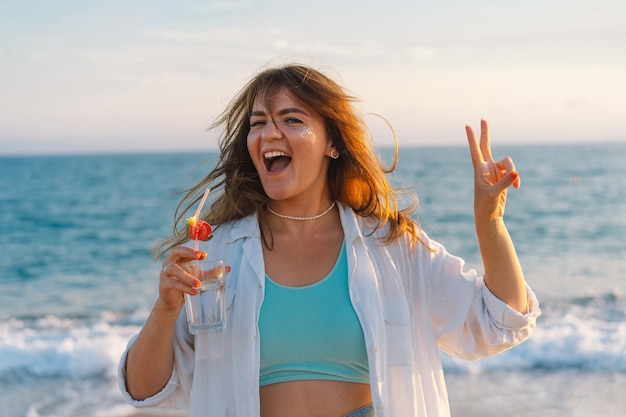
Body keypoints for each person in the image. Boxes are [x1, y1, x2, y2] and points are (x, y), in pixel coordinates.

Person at [118, 63, 540, 417]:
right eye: (258, 123)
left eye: (292, 119)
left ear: (332, 143)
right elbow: (145, 391)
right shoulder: (215, 251)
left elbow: (498, 322)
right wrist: (165, 307)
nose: (268, 134)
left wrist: (490, 222)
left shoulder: (390, 246)